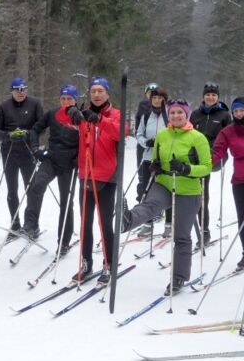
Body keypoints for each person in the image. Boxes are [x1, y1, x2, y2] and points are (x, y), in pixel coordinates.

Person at [123, 99, 211, 293]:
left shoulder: (197, 138)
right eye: (172, 113)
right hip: (164, 183)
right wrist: (155, 165)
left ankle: (179, 278)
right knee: (149, 206)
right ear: (168, 116)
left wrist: (186, 168)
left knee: (181, 236)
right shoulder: (162, 135)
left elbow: (206, 167)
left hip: (188, 190)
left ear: (186, 115)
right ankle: (128, 220)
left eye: (180, 113)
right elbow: (156, 158)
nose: (176, 116)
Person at [67, 77, 122, 284]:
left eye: (101, 91)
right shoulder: (83, 114)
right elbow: (62, 119)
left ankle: (109, 263)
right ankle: (86, 262)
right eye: (93, 91)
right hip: (86, 173)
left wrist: (100, 120)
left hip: (107, 176)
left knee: (105, 222)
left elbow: (122, 132)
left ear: (107, 94)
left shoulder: (115, 114)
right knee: (85, 222)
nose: (97, 94)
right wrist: (70, 112)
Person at [21, 84, 80, 255]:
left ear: (75, 101)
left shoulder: (79, 117)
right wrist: (35, 150)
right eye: (63, 98)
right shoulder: (53, 113)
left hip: (69, 165)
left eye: (69, 99)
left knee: (66, 204)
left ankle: (64, 241)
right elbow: (35, 130)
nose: (66, 102)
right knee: (36, 185)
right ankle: (31, 225)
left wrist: (78, 158)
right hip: (51, 159)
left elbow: (88, 139)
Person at [212, 97, 244, 268]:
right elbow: (218, 150)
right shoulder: (228, 131)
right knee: (243, 216)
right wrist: (205, 163)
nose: (239, 114)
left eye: (242, 110)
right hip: (240, 178)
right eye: (235, 111)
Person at [0, 77, 43, 235]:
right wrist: (9, 136)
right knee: (12, 189)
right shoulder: (4, 106)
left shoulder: (35, 104)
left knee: (32, 189)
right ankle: (15, 224)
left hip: (28, 152)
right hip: (9, 152)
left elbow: (41, 127)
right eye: (17, 89)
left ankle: (32, 224)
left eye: (24, 89)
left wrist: (29, 134)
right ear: (12, 91)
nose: (21, 92)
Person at [189, 82, 230, 242]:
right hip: (195, 156)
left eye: (213, 95)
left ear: (217, 97)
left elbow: (229, 136)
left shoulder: (224, 115)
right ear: (203, 96)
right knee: (193, 191)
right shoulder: (195, 114)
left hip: (214, 156)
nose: (210, 97)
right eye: (208, 94)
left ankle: (204, 230)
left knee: (202, 193)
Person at [135, 86, 170, 235]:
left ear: (164, 100)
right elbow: (139, 134)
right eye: (154, 98)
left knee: (167, 190)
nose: (157, 100)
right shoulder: (146, 115)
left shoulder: (169, 115)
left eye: (160, 98)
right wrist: (146, 142)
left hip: (166, 159)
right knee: (146, 190)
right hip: (149, 158)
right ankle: (148, 224)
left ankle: (169, 224)